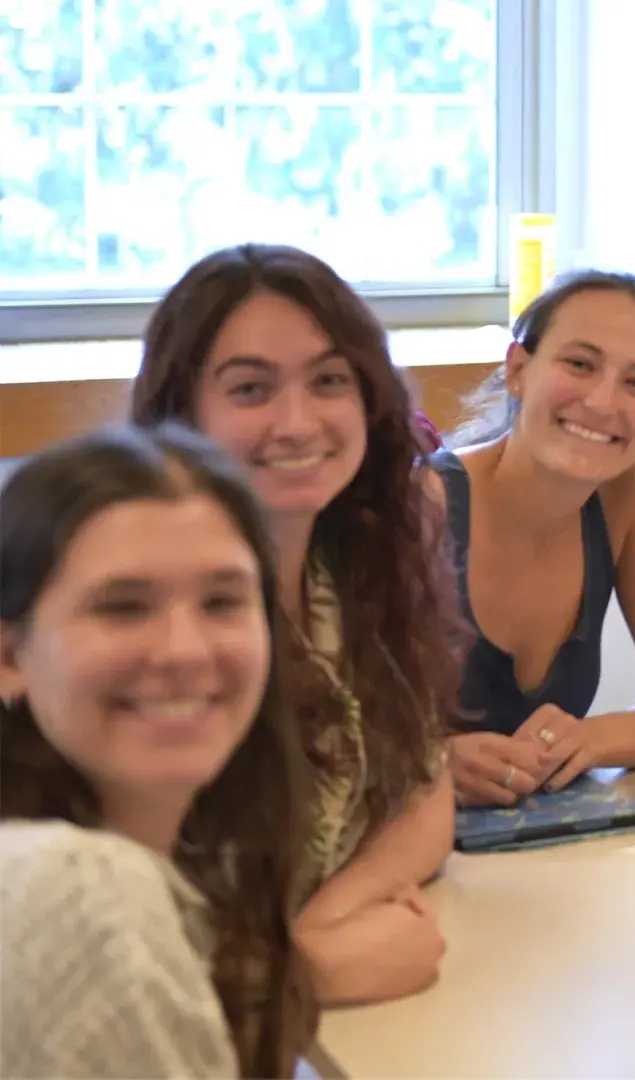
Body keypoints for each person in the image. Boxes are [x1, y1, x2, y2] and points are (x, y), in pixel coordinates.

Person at [130, 243, 458, 1004]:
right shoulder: (142, 615)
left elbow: (425, 791)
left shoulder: (349, 569)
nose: (297, 421)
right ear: (184, 411)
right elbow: (87, 930)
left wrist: (327, 917)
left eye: (329, 381)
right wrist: (303, 977)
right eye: (250, 388)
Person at [1, 424, 316, 1077]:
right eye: (123, 607)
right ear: (10, 657)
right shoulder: (80, 892)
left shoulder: (193, 858)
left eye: (222, 601)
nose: (184, 651)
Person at [432, 270, 635, 806]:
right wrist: (427, 763)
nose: (601, 402)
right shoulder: (422, 504)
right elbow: (309, 733)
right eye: (579, 364)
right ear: (518, 370)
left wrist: (590, 739)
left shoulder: (626, 490)